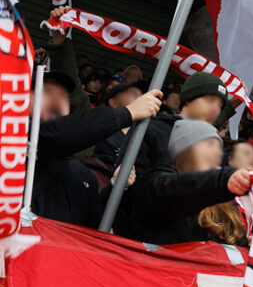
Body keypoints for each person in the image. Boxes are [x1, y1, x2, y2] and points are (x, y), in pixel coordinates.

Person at [33, 76, 161, 228]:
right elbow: (53, 135)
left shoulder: (84, 176)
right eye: (46, 91)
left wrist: (115, 186)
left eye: (63, 95)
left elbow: (93, 228)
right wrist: (128, 113)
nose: (56, 99)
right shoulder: (14, 143)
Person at [114, 120, 250, 245]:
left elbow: (235, 244)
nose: (217, 152)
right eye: (208, 145)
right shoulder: (157, 183)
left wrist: (251, 247)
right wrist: (221, 180)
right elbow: (180, 190)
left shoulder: (225, 199)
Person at [127, 71, 227, 176]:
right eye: (210, 100)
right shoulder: (150, 129)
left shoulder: (215, 144)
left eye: (220, 105)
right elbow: (131, 182)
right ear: (189, 99)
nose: (215, 109)